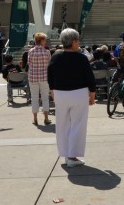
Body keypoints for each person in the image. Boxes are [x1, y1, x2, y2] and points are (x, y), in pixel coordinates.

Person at [47, 28, 96, 168]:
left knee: (62, 124)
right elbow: (89, 77)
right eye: (78, 40)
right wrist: (92, 94)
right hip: (78, 93)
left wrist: (52, 91)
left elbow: (50, 76)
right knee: (78, 124)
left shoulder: (55, 56)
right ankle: (72, 156)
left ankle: (65, 153)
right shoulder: (81, 58)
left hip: (60, 93)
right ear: (73, 42)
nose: (79, 42)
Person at [27, 32, 52, 125]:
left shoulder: (31, 51)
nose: (45, 41)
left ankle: (35, 119)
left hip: (33, 77)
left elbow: (29, 64)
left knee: (34, 98)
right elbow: (49, 64)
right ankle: (46, 118)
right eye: (44, 40)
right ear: (41, 41)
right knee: (45, 98)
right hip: (44, 77)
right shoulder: (47, 52)